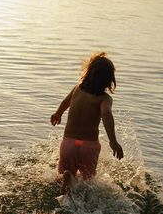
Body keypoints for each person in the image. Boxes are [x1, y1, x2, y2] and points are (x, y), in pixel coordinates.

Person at [50, 52, 124, 195]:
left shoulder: (78, 88)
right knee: (88, 182)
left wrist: (58, 113)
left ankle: (67, 178)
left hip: (69, 143)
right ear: (109, 80)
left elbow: (66, 102)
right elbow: (106, 114)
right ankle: (85, 203)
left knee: (64, 174)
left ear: (88, 71)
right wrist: (113, 141)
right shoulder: (104, 99)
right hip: (88, 146)